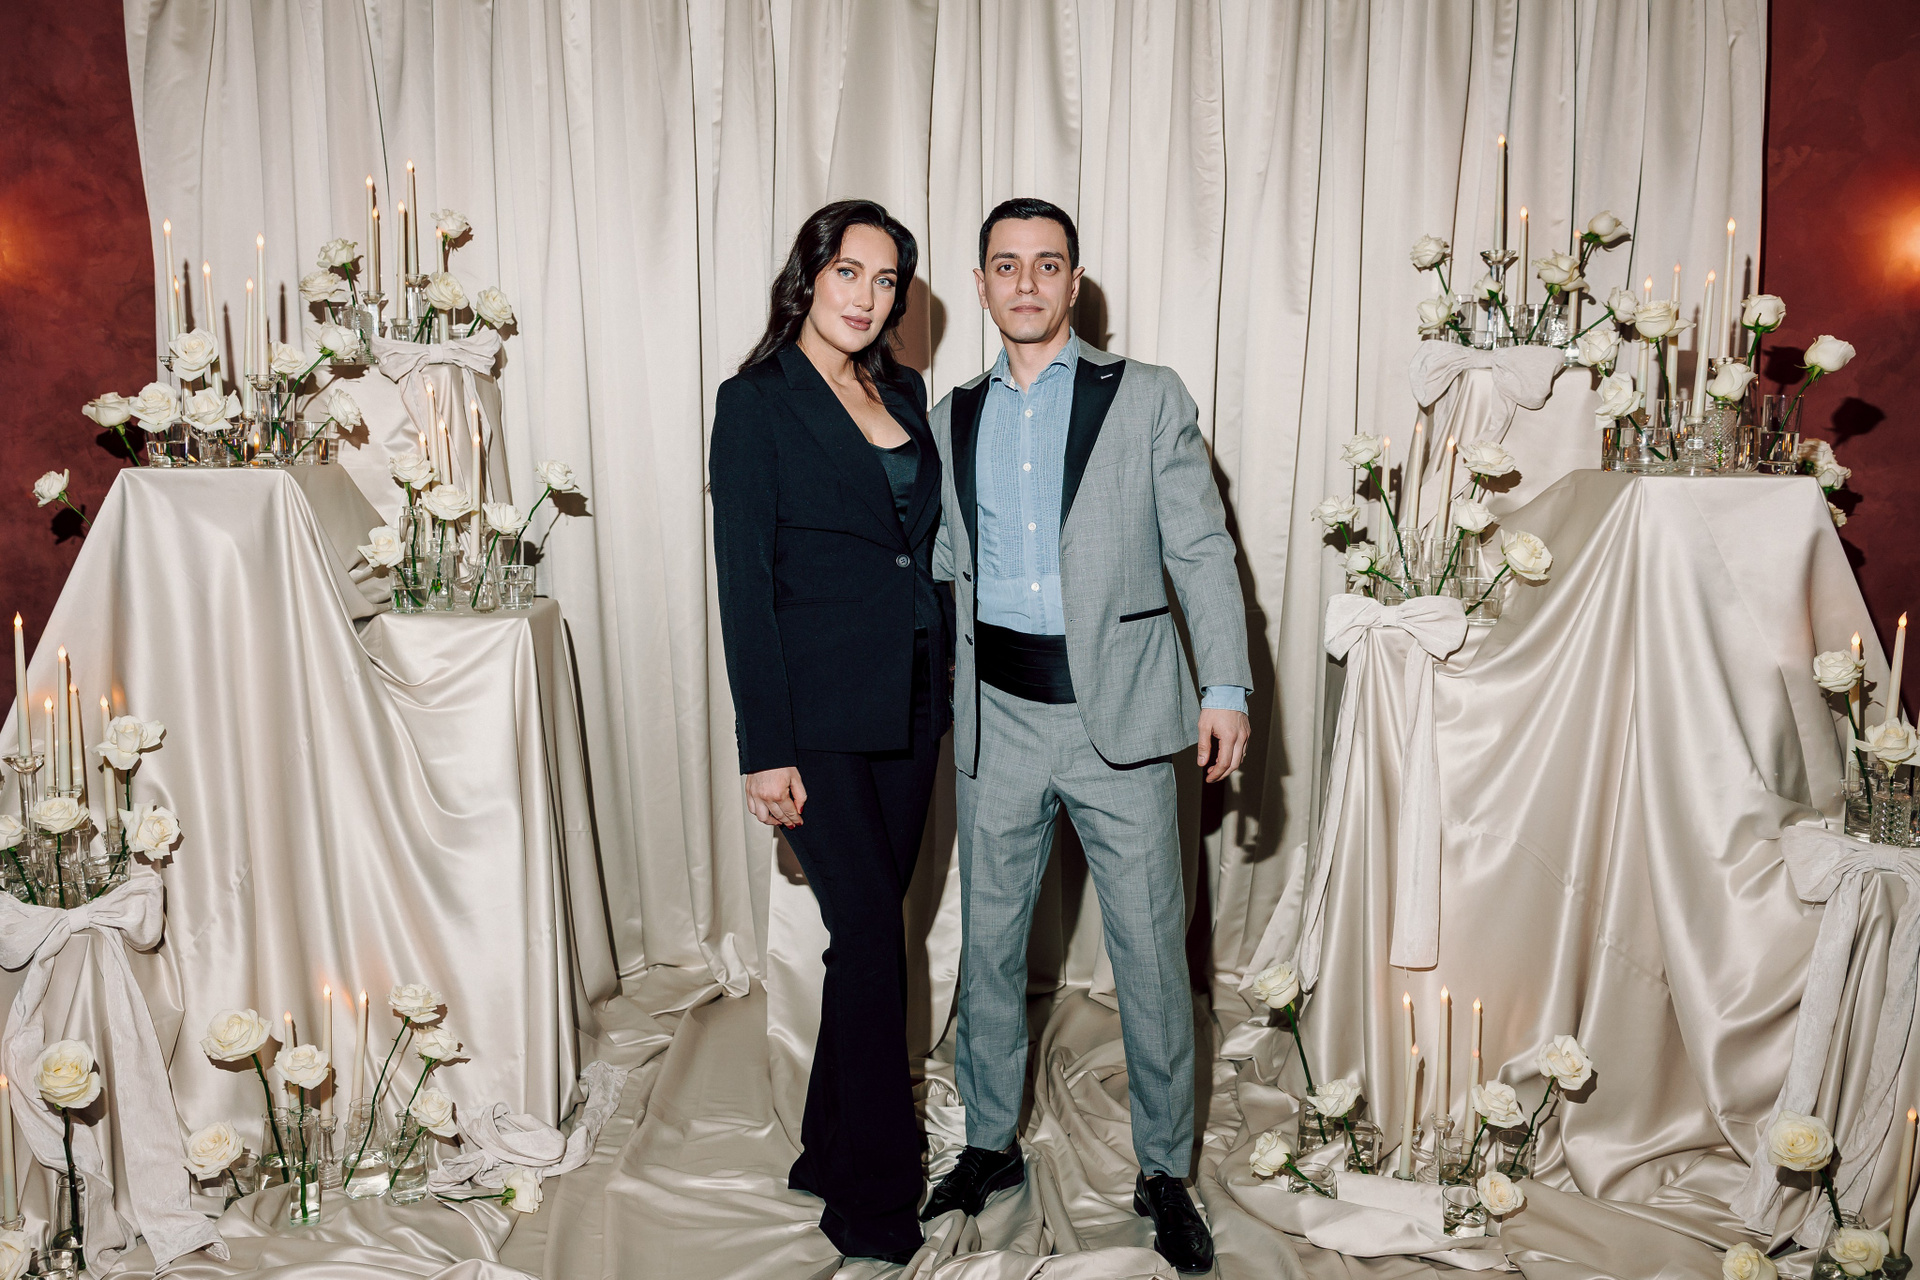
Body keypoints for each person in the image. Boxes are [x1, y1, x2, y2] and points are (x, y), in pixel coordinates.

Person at [921, 198, 1252, 1275]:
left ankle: (1163, 1169)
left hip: (1126, 722)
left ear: (1074, 281)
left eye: (1046, 264)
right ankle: (987, 1143)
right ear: (981, 283)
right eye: (1006, 264)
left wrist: (1226, 685)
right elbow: (942, 565)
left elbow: (1200, 547)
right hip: (999, 720)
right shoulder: (953, 413)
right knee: (990, 947)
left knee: (1152, 952)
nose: (1026, 282)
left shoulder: (1146, 396)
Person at [709, 199, 951, 1265]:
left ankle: (825, 1145)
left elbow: (918, 548)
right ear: (809, 276)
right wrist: (764, 747)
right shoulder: (755, 402)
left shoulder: (903, 390)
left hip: (914, 698)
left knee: (867, 933)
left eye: (886, 279)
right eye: (848, 272)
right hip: (817, 716)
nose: (866, 296)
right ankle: (875, 1198)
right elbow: (744, 583)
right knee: (873, 938)